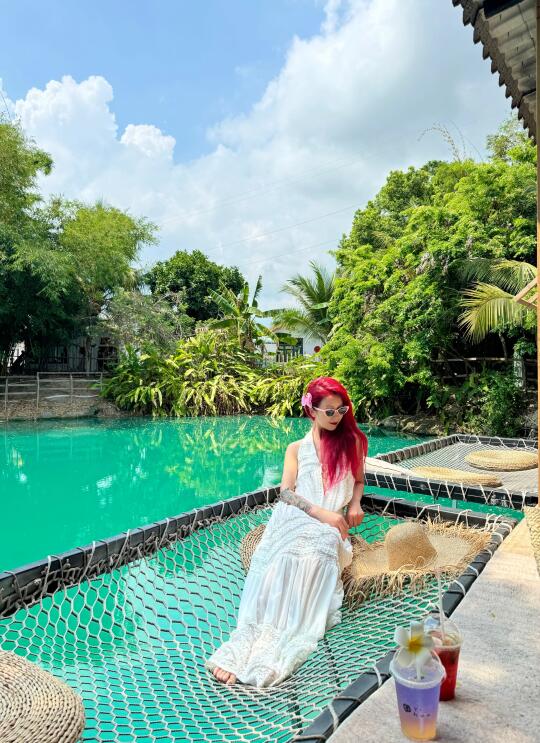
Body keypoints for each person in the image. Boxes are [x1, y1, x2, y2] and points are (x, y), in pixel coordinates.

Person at [206, 376, 368, 687]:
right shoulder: (296, 449)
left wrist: (355, 504)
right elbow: (286, 493)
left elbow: (359, 481)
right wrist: (321, 514)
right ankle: (250, 641)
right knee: (280, 557)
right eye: (329, 411)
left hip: (330, 525)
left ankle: (280, 639)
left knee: (320, 548)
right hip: (297, 515)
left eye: (342, 410)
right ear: (311, 411)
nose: (337, 417)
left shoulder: (354, 443)